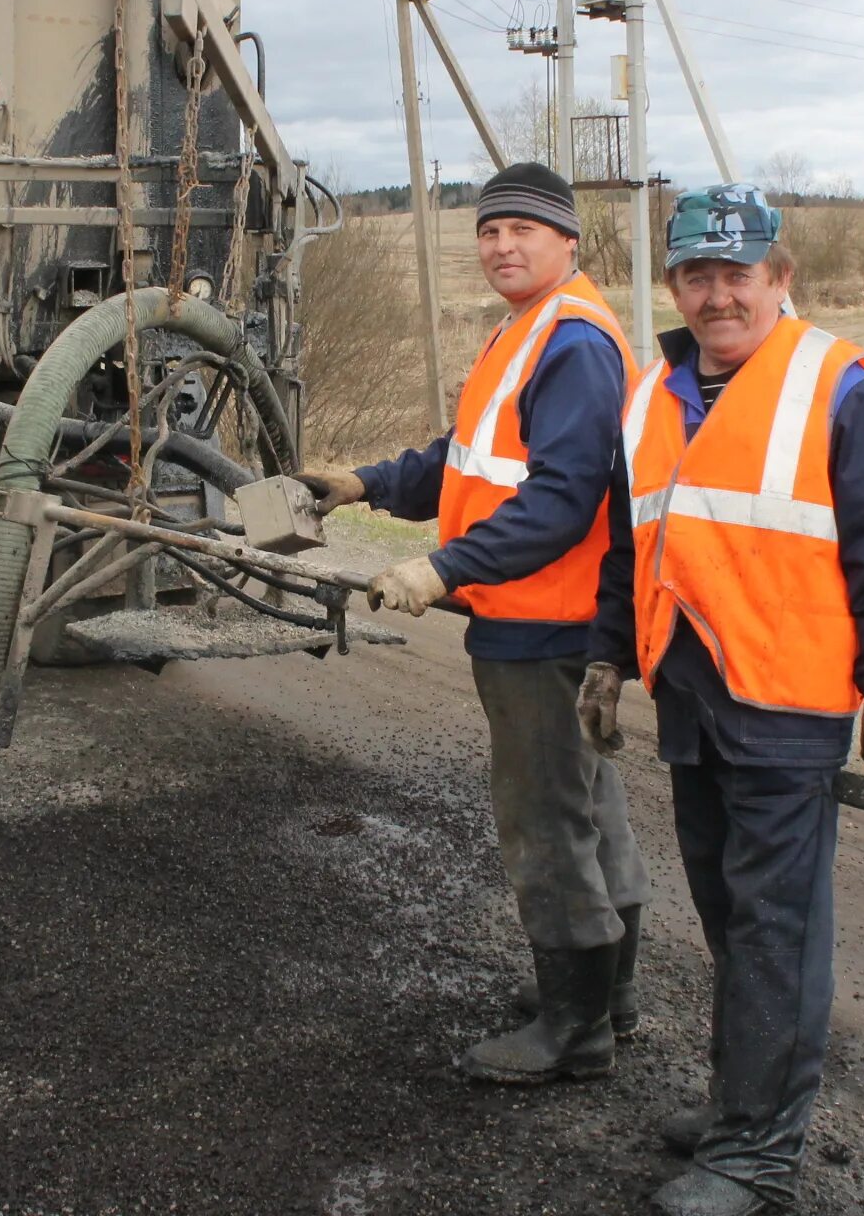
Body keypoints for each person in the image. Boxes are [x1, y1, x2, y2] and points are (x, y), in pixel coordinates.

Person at [581, 184, 864, 1216]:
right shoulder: (652, 394)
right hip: (693, 691)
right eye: (697, 273)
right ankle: (743, 1098)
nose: (717, 294)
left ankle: (760, 1151)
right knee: (730, 913)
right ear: (676, 283)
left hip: (789, 699)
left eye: (737, 273)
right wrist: (610, 660)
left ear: (777, 278)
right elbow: (631, 545)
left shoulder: (835, 381)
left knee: (776, 924)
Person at [299, 160, 650, 1085]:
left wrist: (443, 567)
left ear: (567, 241)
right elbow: (469, 462)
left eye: (522, 230)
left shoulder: (571, 341)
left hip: (545, 622)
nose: (500, 245)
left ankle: (575, 1032)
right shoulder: (529, 331)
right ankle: (607, 995)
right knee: (588, 805)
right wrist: (366, 483)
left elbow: (563, 499)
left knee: (543, 822)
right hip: (551, 616)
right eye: (489, 231)